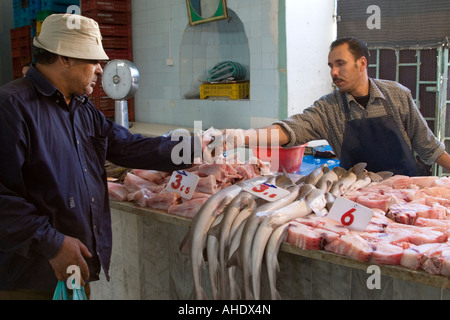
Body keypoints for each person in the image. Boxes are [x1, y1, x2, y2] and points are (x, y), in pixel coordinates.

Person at [0, 14, 200, 299]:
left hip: (74, 267)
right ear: (64, 58)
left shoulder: (81, 107)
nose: (99, 70)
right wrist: (52, 242)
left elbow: (127, 146)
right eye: (93, 61)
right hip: (31, 276)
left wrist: (198, 148)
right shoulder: (12, 107)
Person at [223, 37, 450, 176]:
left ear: (362, 63)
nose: (333, 72)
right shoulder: (328, 108)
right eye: (331, 65)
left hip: (403, 194)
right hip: (357, 197)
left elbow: (429, 147)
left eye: (340, 64)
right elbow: (289, 129)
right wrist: (239, 137)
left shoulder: (397, 95)